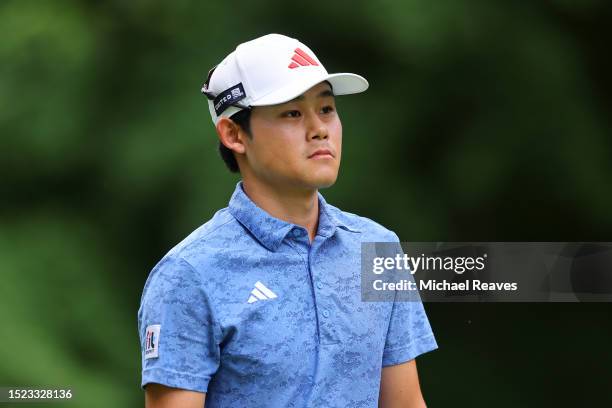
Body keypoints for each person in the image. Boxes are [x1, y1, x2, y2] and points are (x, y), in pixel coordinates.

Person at [138, 33, 437, 408]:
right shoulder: (188, 275)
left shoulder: (376, 249)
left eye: (326, 109)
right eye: (292, 113)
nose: (319, 128)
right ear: (233, 134)